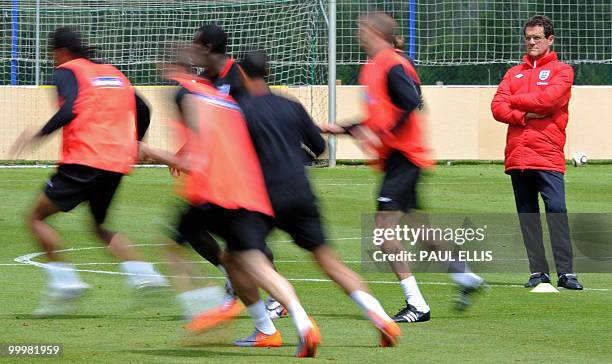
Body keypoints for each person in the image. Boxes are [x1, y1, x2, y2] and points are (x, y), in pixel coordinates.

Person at [209, 50, 400, 348]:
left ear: (243, 75)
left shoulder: (239, 109)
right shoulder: (290, 104)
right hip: (301, 191)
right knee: (329, 261)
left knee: (236, 258)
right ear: (268, 73)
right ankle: (380, 317)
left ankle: (283, 326)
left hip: (262, 197)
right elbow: (319, 147)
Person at [139, 69, 321, 357]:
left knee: (174, 245)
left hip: (213, 194)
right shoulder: (235, 108)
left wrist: (149, 151)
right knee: (250, 261)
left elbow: (197, 162)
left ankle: (209, 308)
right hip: (245, 193)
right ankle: (299, 322)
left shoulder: (191, 95)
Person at [321, 12, 486, 322]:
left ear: (375, 33)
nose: (359, 35)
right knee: (421, 230)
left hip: (404, 158)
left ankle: (417, 305)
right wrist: (339, 128)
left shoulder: (392, 63)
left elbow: (412, 101)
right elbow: (378, 118)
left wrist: (381, 133)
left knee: (384, 232)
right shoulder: (373, 68)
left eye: (362, 30)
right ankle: (466, 277)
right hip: (398, 158)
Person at [9, 27, 168, 316]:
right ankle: (144, 274)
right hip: (115, 162)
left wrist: (39, 135)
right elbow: (143, 108)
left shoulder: (67, 71)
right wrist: (136, 142)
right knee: (98, 225)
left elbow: (71, 108)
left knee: (36, 217)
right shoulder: (113, 73)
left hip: (85, 158)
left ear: (60, 52)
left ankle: (65, 282)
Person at [491, 15, 583, 290]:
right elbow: (497, 107)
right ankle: (538, 272)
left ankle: (566, 273)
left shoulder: (562, 71)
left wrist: (515, 103)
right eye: (528, 37)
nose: (531, 42)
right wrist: (526, 114)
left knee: (556, 210)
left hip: (547, 152)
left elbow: (550, 100)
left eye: (537, 38)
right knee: (527, 214)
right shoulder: (512, 73)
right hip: (518, 154)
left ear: (550, 40)